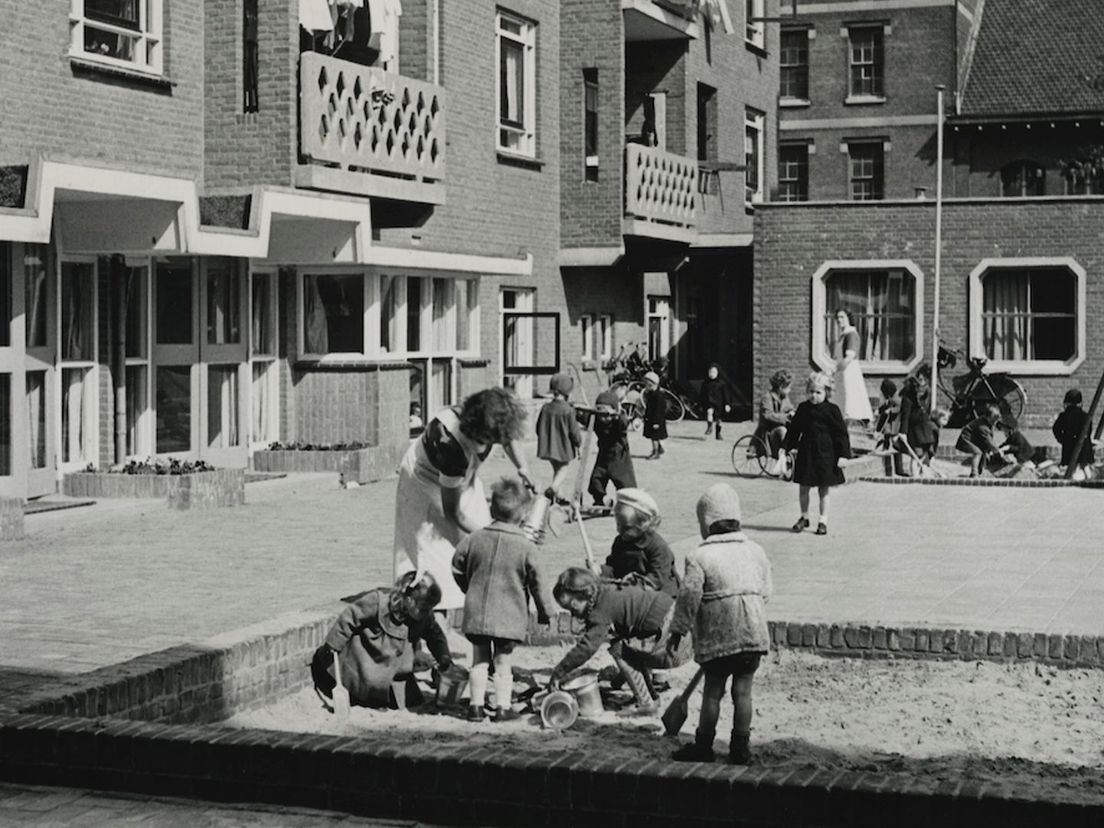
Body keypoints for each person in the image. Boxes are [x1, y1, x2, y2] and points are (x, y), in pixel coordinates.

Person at [393, 388, 535, 611]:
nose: (500, 442)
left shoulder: (484, 417)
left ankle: (466, 602)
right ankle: (427, 611)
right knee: (435, 550)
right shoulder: (451, 445)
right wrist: (493, 537)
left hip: (459, 478)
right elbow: (454, 514)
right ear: (482, 432)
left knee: (474, 536)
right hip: (424, 482)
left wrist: (523, 467)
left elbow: (507, 437)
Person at [668, 484, 771, 765]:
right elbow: (766, 591)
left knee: (713, 691)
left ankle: (703, 746)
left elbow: (689, 599)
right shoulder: (756, 551)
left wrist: (678, 630)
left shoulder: (699, 557)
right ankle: (740, 748)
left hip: (717, 638)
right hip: (753, 635)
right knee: (743, 692)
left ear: (706, 522)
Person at [452, 478, 553, 723]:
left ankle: (475, 706)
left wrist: (470, 588)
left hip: (477, 613)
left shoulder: (474, 539)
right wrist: (545, 611)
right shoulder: (526, 547)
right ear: (523, 515)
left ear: (491, 509)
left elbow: (457, 566)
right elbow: (539, 582)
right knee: (502, 662)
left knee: (479, 659)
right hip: (508, 616)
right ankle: (502, 707)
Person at [548, 567, 689, 717]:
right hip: (682, 631)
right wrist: (617, 682)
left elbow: (587, 648)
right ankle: (651, 698)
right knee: (627, 643)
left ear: (586, 594)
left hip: (675, 646)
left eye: (573, 606)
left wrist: (558, 672)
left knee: (618, 648)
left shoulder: (600, 609)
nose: (573, 613)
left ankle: (646, 703)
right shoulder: (608, 591)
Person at [310, 571, 452, 709]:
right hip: (366, 662)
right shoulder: (379, 603)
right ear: (409, 600)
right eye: (423, 609)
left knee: (410, 700)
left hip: (395, 673)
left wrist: (443, 655)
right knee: (364, 686)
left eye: (429, 609)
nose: (427, 613)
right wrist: (334, 643)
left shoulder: (424, 617)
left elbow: (435, 635)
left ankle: (381, 697)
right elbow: (350, 617)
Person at [784, 372, 851, 536]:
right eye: (811, 391)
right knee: (803, 487)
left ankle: (823, 520)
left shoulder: (832, 410)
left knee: (824, 489)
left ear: (827, 393)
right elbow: (794, 430)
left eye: (818, 392)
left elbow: (841, 433)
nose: (814, 395)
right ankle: (804, 516)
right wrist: (785, 447)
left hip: (826, 454)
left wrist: (843, 455)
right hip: (807, 452)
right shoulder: (803, 408)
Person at [602, 488, 679, 597]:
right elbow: (614, 567)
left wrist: (633, 585)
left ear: (644, 524)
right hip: (631, 592)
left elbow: (657, 578)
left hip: (660, 596)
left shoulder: (657, 546)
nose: (619, 530)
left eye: (627, 527)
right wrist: (601, 571)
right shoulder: (620, 541)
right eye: (618, 524)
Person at [535, 374, 582, 502]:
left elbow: (538, 428)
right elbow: (574, 432)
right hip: (563, 447)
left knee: (556, 468)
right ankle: (554, 488)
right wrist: (578, 443)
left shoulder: (545, 408)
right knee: (564, 468)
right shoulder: (569, 410)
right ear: (567, 392)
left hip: (548, 446)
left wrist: (544, 438)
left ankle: (559, 495)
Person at [588, 388, 637, 509]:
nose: (603, 419)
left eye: (606, 416)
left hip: (619, 458)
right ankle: (602, 500)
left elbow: (623, 423)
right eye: (600, 416)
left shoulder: (618, 423)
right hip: (603, 457)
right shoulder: (597, 421)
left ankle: (629, 504)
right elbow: (586, 418)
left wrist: (618, 414)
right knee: (596, 481)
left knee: (625, 485)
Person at [831, 309, 874, 423]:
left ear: (848, 318)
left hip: (848, 371)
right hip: (842, 371)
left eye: (842, 317)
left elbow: (849, 358)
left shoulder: (851, 335)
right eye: (838, 318)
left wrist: (834, 369)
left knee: (850, 399)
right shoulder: (843, 335)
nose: (839, 320)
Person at [897, 369, 936, 476]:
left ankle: (920, 472)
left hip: (923, 430)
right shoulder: (908, 400)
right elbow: (905, 417)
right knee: (916, 455)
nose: (920, 388)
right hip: (916, 431)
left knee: (924, 453)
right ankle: (915, 475)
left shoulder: (922, 397)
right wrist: (903, 432)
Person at [752, 369, 794, 462]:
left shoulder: (784, 397)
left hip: (781, 426)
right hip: (768, 430)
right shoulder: (767, 398)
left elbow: (789, 407)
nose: (790, 390)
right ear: (781, 387)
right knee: (782, 431)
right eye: (788, 388)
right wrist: (785, 417)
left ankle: (793, 452)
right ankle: (783, 455)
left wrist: (792, 413)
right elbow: (767, 415)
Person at [1053, 389, 1096, 476]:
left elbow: (1056, 429)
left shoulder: (1064, 416)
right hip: (1084, 447)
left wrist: (1062, 439)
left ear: (1067, 403)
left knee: (1071, 467)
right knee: (1084, 465)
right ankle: (1089, 478)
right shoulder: (1085, 416)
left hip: (1069, 446)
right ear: (1080, 403)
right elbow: (1089, 430)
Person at [956, 404, 1002, 478]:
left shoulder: (987, 423)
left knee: (983, 452)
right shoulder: (982, 426)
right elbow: (989, 441)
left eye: (996, 420)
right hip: (966, 439)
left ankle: (979, 471)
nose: (995, 422)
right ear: (987, 417)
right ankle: (974, 473)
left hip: (975, 439)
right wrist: (997, 451)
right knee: (977, 452)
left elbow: (989, 438)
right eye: (993, 420)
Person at [874, 379, 905, 477]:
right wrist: (880, 410)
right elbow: (886, 405)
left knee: (895, 446)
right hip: (890, 425)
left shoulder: (897, 397)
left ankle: (898, 469)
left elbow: (899, 407)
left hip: (894, 424)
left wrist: (890, 411)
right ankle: (890, 468)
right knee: (887, 442)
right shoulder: (892, 397)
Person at [699, 364, 732, 441]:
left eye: (714, 372)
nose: (711, 374)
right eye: (710, 372)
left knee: (719, 420)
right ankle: (709, 427)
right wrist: (700, 403)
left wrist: (727, 404)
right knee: (709, 412)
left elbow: (726, 394)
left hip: (719, 403)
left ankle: (718, 433)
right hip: (709, 402)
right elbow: (702, 394)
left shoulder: (721, 383)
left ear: (717, 373)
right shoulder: (705, 383)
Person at [642, 371, 668, 460]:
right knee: (654, 435)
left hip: (656, 419)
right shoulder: (651, 393)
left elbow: (659, 410)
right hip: (651, 418)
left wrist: (656, 422)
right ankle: (659, 448)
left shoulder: (659, 395)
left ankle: (655, 451)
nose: (645, 385)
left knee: (654, 436)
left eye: (647, 383)